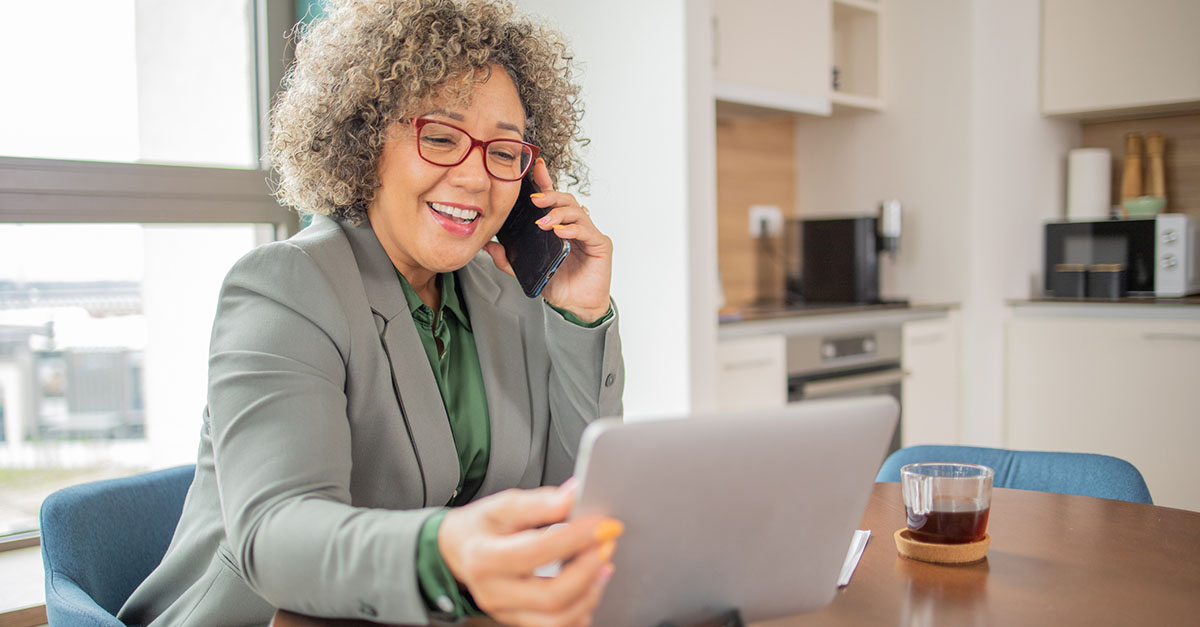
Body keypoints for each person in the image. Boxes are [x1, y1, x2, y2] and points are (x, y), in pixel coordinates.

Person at [117, 1, 625, 625]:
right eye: (440, 137)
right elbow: (275, 538)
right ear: (363, 140)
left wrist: (579, 316)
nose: (474, 178)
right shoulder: (285, 286)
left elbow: (569, 502)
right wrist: (445, 555)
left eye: (503, 151)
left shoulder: (504, 293)